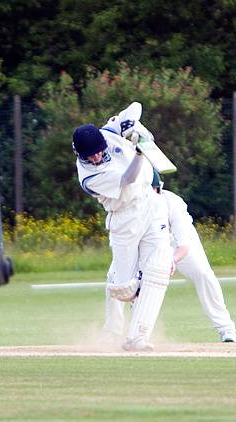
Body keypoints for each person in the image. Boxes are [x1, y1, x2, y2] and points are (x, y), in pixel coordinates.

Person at [73, 102, 173, 351]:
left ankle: (138, 337)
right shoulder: (89, 177)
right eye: (90, 155)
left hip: (151, 203)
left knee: (158, 270)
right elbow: (127, 180)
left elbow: (135, 107)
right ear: (80, 154)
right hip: (124, 217)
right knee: (125, 288)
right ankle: (115, 321)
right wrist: (140, 153)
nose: (96, 156)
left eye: (98, 151)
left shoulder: (108, 132)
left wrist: (135, 128)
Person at [103, 173, 236, 343]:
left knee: (203, 275)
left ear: (157, 189)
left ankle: (226, 329)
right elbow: (122, 246)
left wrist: (171, 260)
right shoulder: (128, 206)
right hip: (146, 247)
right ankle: (113, 333)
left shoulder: (172, 202)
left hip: (176, 244)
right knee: (114, 277)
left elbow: (184, 244)